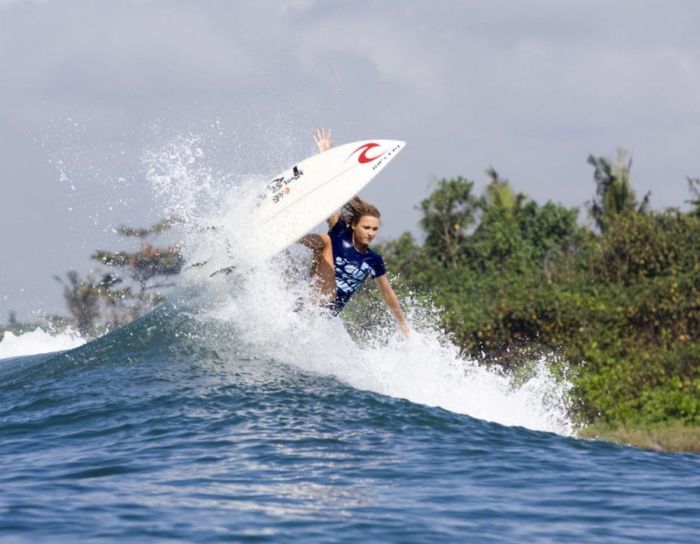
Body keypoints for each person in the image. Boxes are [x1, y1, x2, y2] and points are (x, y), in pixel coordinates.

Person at [299, 129, 410, 338]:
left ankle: (293, 237)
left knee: (324, 242)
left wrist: (403, 325)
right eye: (366, 227)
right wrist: (325, 154)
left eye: (375, 229)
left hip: (327, 308)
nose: (370, 233)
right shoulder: (339, 228)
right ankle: (287, 237)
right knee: (320, 244)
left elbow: (387, 293)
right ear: (354, 225)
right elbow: (330, 192)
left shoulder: (373, 259)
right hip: (311, 296)